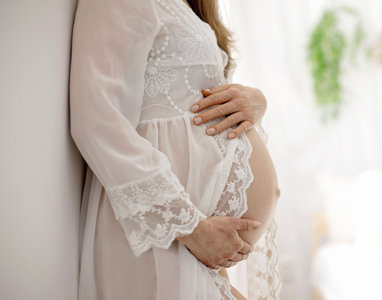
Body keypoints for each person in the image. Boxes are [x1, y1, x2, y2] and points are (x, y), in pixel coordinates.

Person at [70, 0, 280, 299]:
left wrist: (256, 101)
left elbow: (192, 93)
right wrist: (190, 228)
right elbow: (97, 120)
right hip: (164, 235)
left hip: (196, 246)